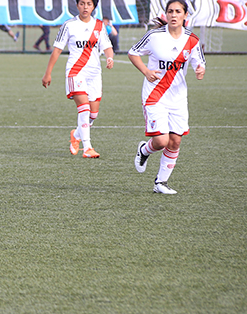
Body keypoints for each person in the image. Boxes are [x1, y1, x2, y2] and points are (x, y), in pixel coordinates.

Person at [129, 0, 205, 194]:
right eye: (170, 11)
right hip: (155, 95)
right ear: (165, 14)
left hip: (178, 97)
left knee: (175, 141)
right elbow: (133, 53)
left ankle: (160, 183)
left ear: (185, 15)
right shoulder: (154, 36)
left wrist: (200, 69)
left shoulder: (192, 40)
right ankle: (144, 150)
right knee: (162, 141)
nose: (173, 15)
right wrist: (146, 71)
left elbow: (199, 61)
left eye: (178, 11)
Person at [41, 0, 114, 158]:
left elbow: (107, 46)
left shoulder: (99, 26)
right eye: (82, 3)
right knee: (84, 108)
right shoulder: (69, 25)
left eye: (89, 3)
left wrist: (110, 57)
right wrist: (48, 72)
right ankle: (87, 147)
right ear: (77, 5)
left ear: (94, 6)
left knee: (93, 114)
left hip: (94, 74)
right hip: (76, 71)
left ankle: (76, 135)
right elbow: (57, 49)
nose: (85, 7)